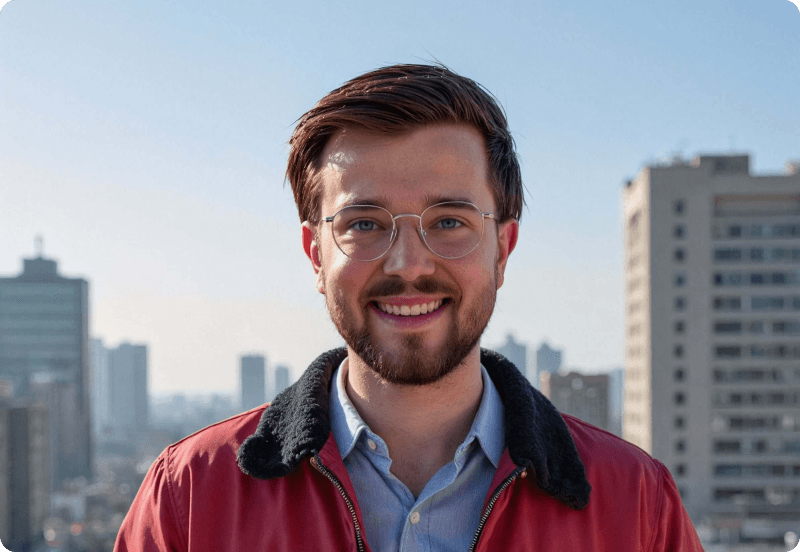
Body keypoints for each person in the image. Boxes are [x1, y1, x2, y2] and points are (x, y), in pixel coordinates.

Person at [115, 64, 703, 551]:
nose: (408, 265)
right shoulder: (188, 498)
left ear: (503, 249)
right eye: (363, 224)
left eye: (449, 221)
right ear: (315, 255)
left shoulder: (637, 505)